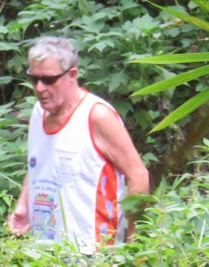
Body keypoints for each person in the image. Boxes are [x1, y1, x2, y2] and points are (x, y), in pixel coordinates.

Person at [8, 37, 150, 255]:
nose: (39, 88)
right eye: (34, 79)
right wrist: (23, 205)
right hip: (43, 250)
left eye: (48, 80)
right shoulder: (38, 112)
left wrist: (135, 245)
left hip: (91, 253)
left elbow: (138, 175)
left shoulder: (96, 115)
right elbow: (38, 165)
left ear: (72, 75)